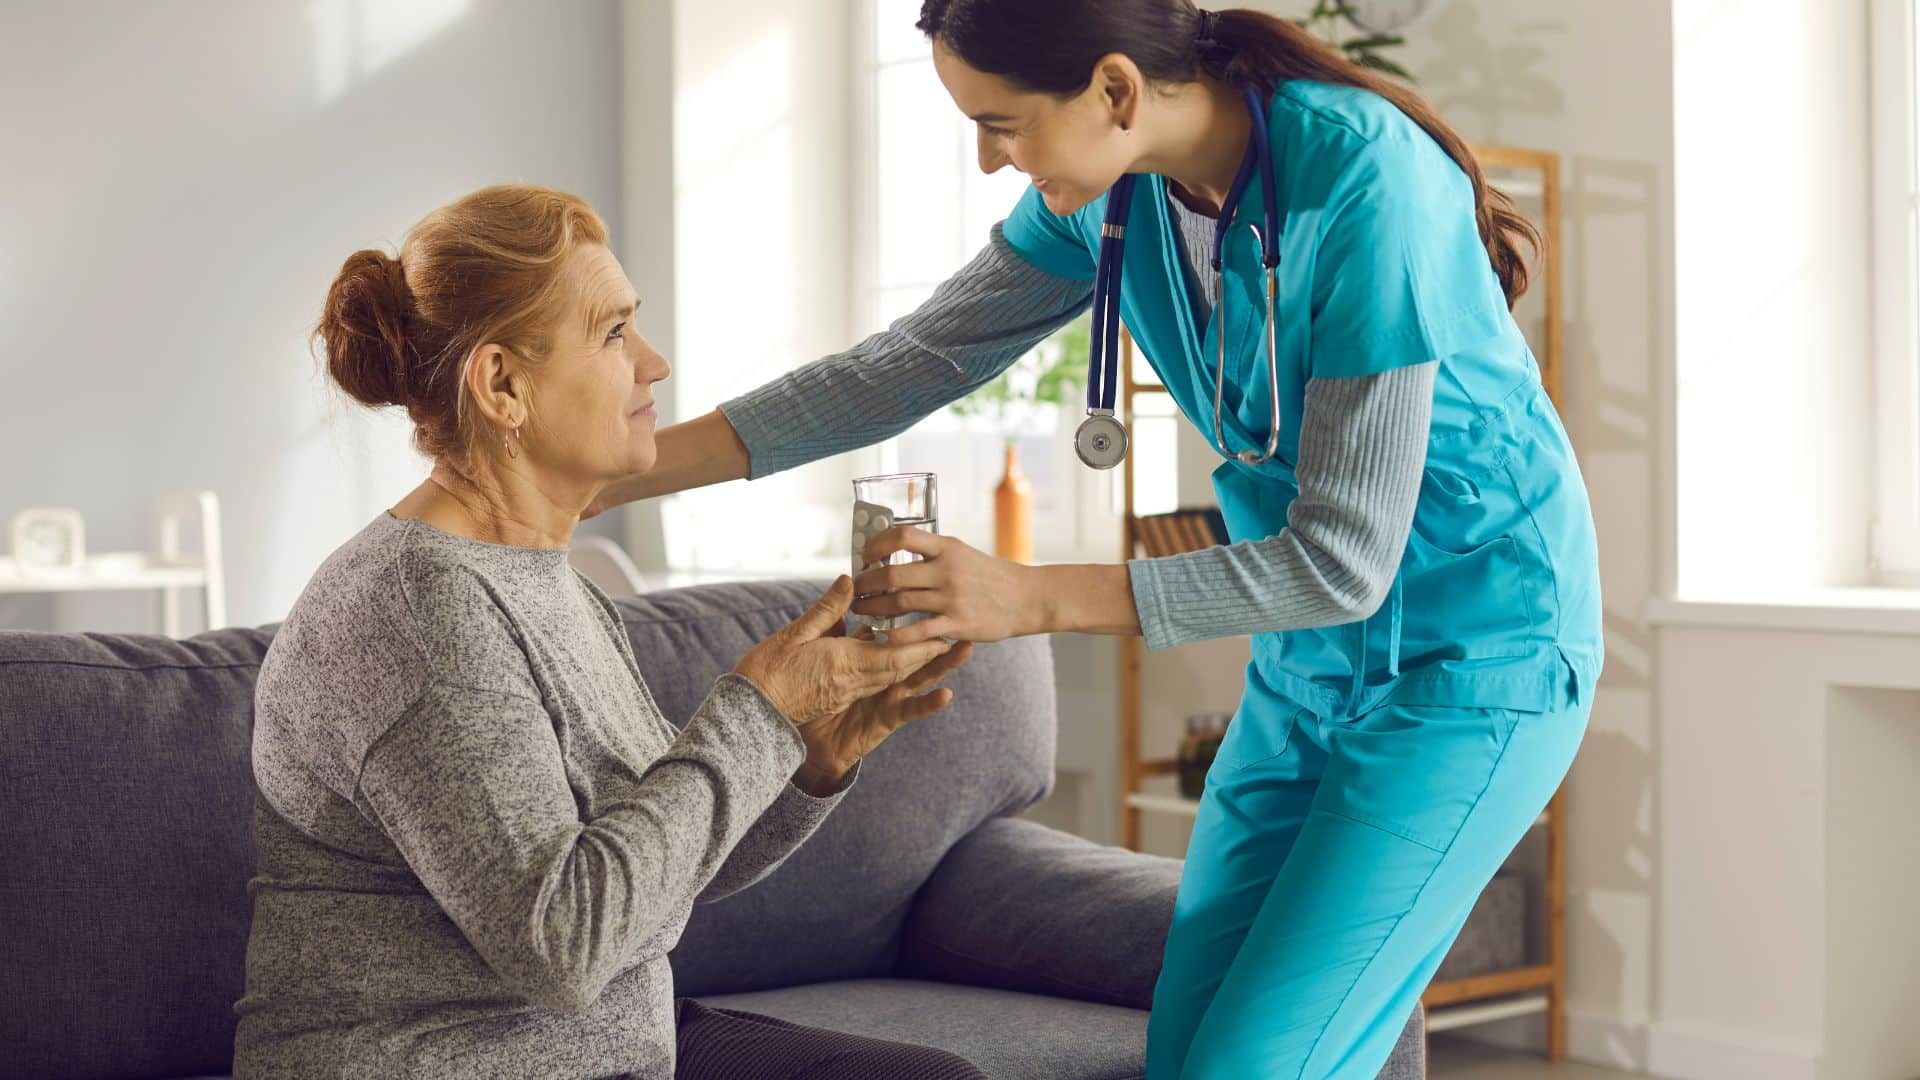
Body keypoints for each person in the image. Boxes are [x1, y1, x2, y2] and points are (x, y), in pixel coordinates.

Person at [588, 3, 1604, 1077]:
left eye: (1002, 123)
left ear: (1115, 91)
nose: (989, 160)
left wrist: (1026, 596)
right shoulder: (1116, 200)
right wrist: (618, 473)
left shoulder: (1365, 179)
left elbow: (1345, 559)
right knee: (1187, 1052)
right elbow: (909, 363)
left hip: (1476, 659)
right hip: (1307, 659)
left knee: (1254, 1064)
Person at [232, 184, 986, 1079]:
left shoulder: (546, 578)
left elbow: (651, 875)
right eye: (615, 333)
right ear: (504, 384)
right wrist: (756, 710)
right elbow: (565, 943)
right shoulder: (416, 611)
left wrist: (807, 757)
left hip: (598, 1046)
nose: (655, 364)